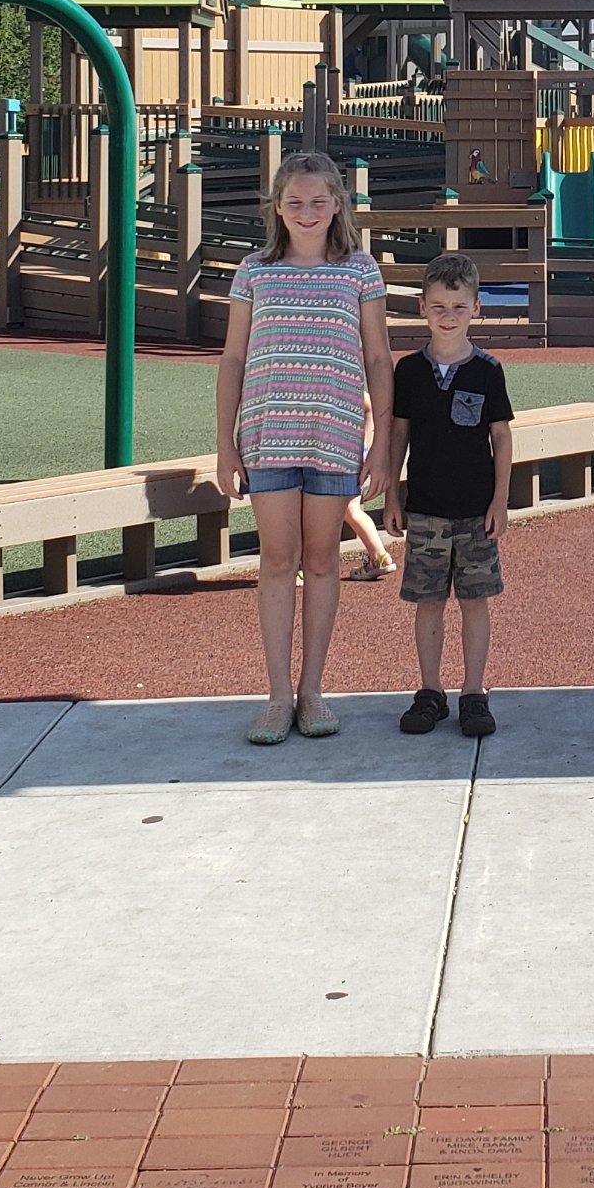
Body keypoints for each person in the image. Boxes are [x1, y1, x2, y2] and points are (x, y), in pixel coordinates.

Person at [215, 152, 390, 745]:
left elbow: (377, 358)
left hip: (336, 436)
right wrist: (224, 444)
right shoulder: (253, 271)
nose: (308, 212)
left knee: (321, 562)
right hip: (266, 438)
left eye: (319, 201)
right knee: (276, 562)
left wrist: (384, 443)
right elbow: (234, 357)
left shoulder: (361, 271)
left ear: (338, 205)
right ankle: (276, 697)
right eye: (295, 202)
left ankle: (313, 692)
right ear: (278, 208)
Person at [380, 251, 514, 738]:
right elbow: (398, 435)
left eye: (458, 306)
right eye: (439, 306)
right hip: (425, 511)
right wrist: (392, 496)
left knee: (476, 601)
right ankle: (430, 691)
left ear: (477, 308)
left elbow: (501, 437)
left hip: (476, 513)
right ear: (422, 308)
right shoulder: (410, 371)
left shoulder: (487, 370)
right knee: (429, 602)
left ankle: (474, 692)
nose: (448, 316)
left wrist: (500, 500)